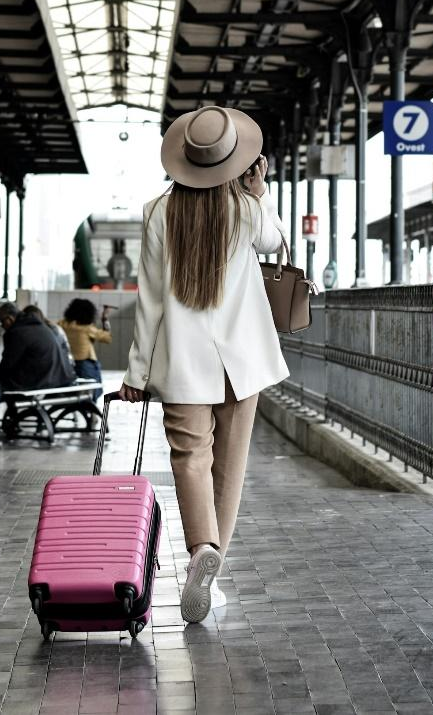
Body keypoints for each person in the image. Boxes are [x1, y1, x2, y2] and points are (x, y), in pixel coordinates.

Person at [120, 105, 289, 624]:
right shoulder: (245, 209)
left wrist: (135, 375)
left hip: (183, 366)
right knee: (229, 468)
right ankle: (214, 562)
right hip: (245, 362)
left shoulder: (155, 212)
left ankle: (201, 549)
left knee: (189, 460)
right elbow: (277, 244)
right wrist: (260, 192)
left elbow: (149, 301)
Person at [0, 302, 75, 392]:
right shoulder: (40, 325)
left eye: (2, 322)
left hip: (41, 381)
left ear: (10, 318)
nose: (2, 326)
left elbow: (7, 364)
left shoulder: (17, 332)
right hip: (59, 377)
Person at [58, 298, 113, 401]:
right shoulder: (88, 329)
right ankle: (92, 413)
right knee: (92, 392)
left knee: (74, 392)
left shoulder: (62, 324)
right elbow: (107, 338)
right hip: (85, 364)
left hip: (67, 364)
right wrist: (105, 319)